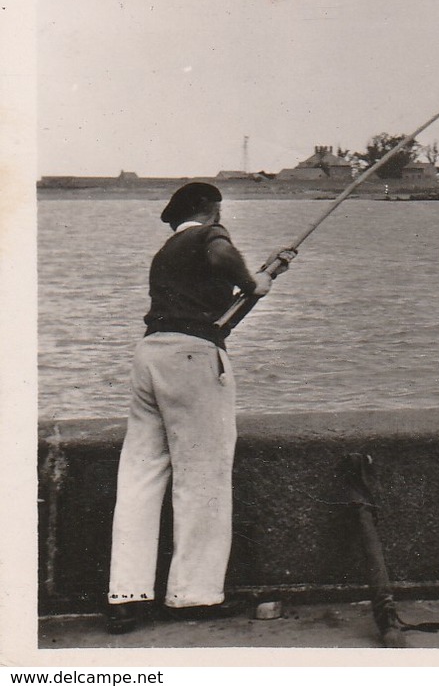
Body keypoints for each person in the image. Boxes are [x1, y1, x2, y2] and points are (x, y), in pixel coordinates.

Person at [105, 182, 272, 634]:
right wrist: (255, 281)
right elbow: (221, 256)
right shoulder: (207, 236)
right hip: (192, 357)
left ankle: (126, 596)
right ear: (209, 207)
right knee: (203, 474)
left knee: (141, 472)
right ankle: (193, 595)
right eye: (218, 209)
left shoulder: (166, 251)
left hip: (150, 354)